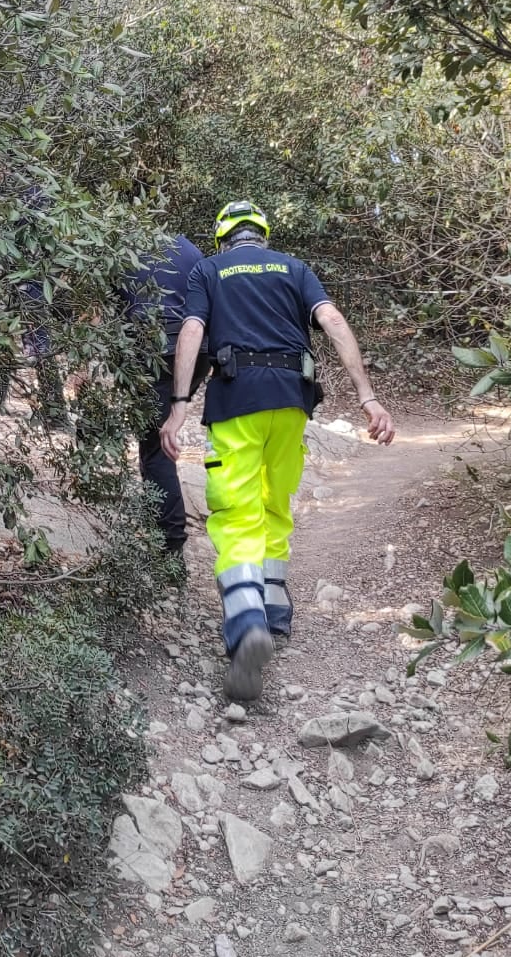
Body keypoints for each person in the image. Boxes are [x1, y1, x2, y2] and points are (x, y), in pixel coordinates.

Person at [160, 199, 395, 702]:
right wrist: (368, 397)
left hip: (237, 399)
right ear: (262, 235)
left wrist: (179, 405)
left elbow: (193, 330)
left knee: (235, 510)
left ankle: (247, 622)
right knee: (275, 501)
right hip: (292, 399)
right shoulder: (295, 268)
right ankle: (274, 608)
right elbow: (332, 320)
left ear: (223, 237)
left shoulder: (209, 270)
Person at [122, 234, 209, 555]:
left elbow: (111, 312)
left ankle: (168, 547)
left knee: (155, 448)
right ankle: (163, 532)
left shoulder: (123, 247)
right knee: (162, 436)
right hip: (198, 351)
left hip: (156, 351)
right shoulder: (188, 248)